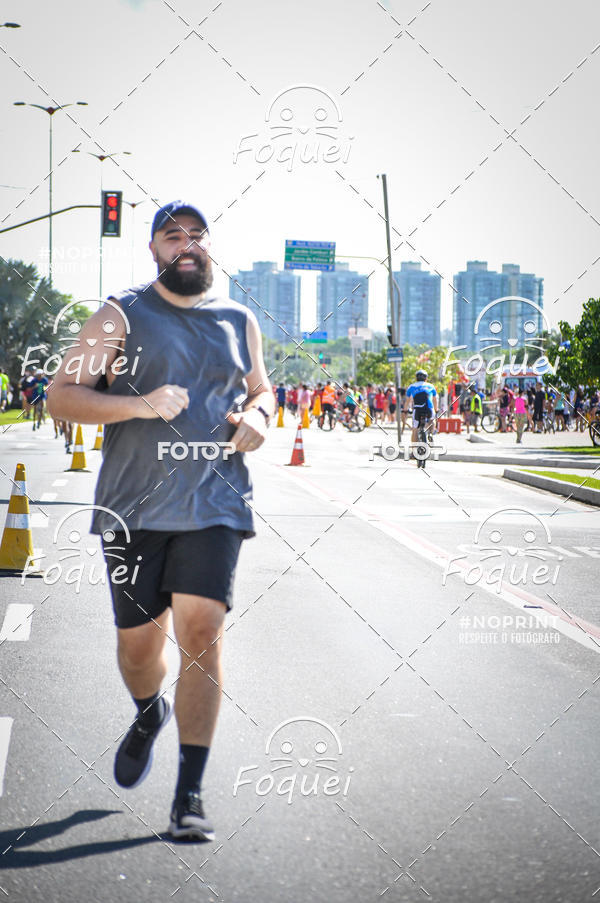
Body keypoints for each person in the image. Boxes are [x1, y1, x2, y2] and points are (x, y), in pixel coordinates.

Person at [48, 200, 273, 842]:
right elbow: (63, 394)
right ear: (153, 250)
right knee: (139, 647)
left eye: (198, 237)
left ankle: (189, 795)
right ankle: (150, 710)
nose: (188, 245)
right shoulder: (120, 314)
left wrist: (258, 417)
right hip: (134, 508)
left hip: (217, 504)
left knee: (202, 630)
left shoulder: (238, 319)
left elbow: (261, 389)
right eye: (173, 236)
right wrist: (139, 405)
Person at [406, 369, 438, 442]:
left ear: (416, 378)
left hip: (417, 409)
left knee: (414, 430)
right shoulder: (431, 386)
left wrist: (405, 410)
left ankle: (413, 451)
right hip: (429, 408)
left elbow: (407, 402)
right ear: (426, 378)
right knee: (433, 419)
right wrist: (436, 410)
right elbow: (435, 400)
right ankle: (431, 433)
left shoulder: (411, 387)